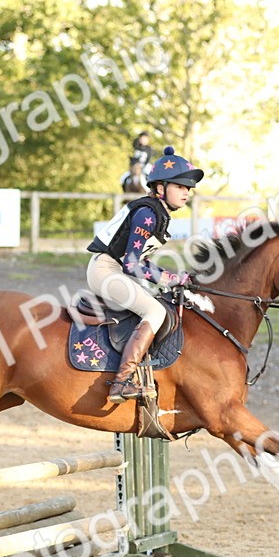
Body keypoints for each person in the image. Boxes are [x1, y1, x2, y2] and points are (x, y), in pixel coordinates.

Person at [85, 146, 204, 402]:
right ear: (160, 187)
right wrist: (171, 279)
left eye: (188, 188)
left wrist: (173, 279)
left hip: (115, 270)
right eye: (180, 186)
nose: (186, 191)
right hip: (106, 270)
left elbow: (142, 261)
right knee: (156, 311)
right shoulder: (148, 214)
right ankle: (121, 382)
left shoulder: (156, 212)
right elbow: (131, 263)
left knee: (160, 302)